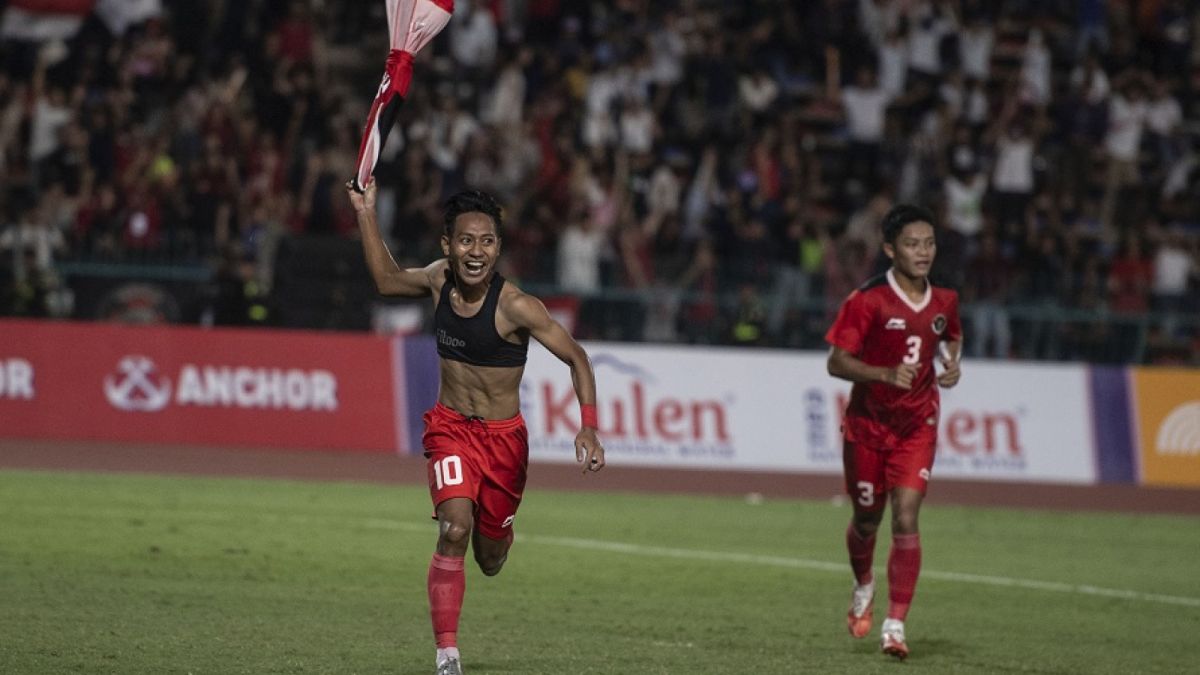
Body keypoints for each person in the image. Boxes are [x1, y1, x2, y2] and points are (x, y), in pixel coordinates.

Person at [347, 178, 606, 675]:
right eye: (466, 240)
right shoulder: (437, 280)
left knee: (489, 559)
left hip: (504, 444)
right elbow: (385, 279)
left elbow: (577, 358)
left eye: (487, 242)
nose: (476, 251)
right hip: (449, 430)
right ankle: (447, 655)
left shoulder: (518, 307)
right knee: (453, 529)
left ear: (498, 249)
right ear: (447, 245)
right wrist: (366, 211)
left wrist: (588, 427)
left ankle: (500, 537)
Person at [824, 204, 963, 660]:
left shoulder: (945, 300)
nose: (923, 252)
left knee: (907, 517)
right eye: (912, 244)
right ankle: (864, 583)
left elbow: (950, 335)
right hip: (867, 426)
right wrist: (884, 375)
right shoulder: (867, 300)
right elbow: (836, 362)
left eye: (929, 243)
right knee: (867, 519)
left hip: (916, 424)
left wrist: (951, 364)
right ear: (890, 249)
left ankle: (895, 625)